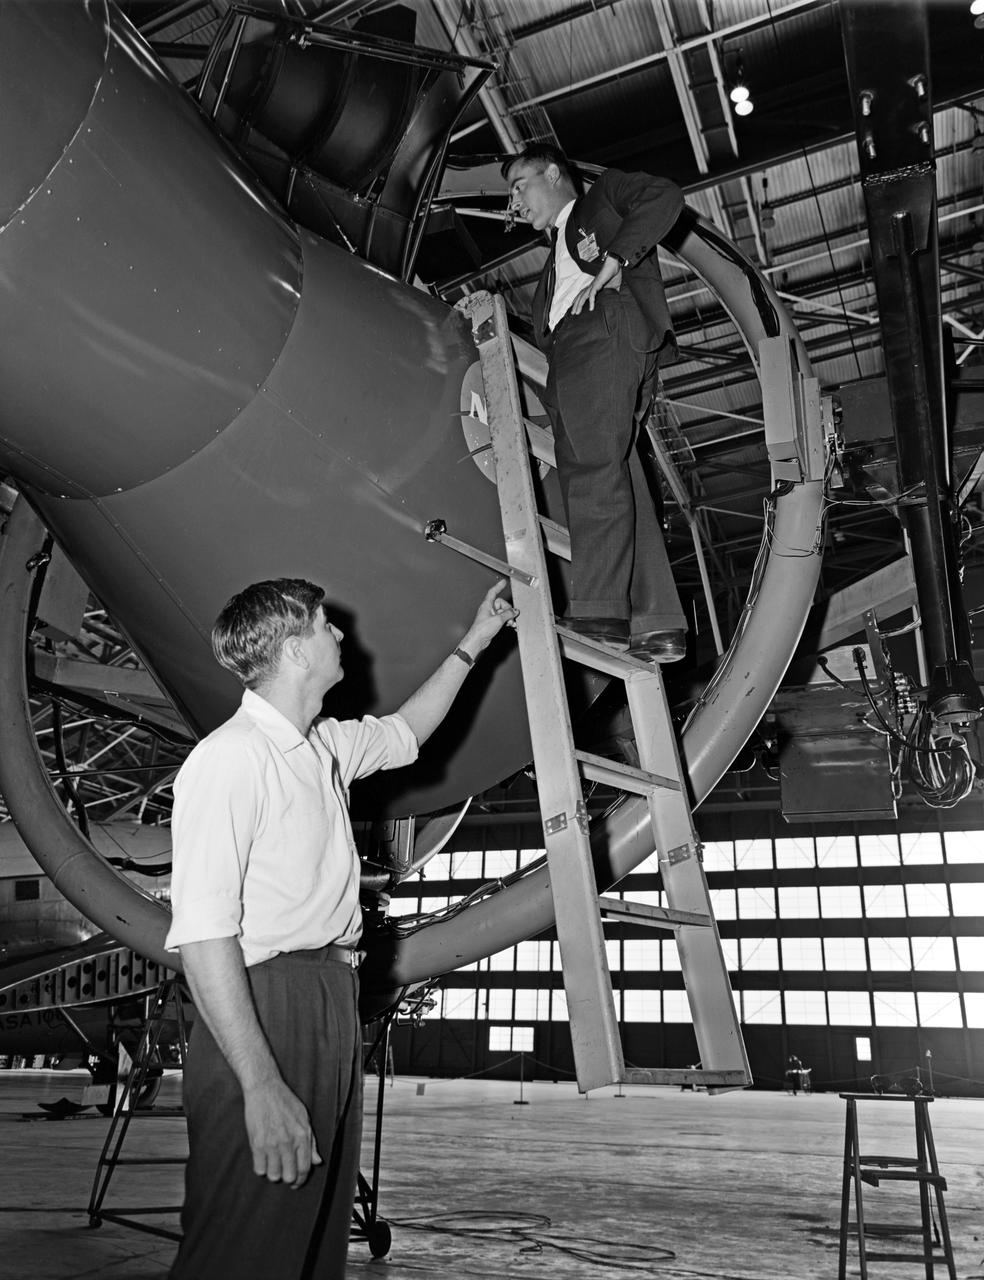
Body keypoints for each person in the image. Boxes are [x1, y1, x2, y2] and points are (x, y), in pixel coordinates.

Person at [165, 577, 516, 1280]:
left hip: (329, 991)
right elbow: (204, 938)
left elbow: (410, 730)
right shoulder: (230, 759)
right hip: (264, 1004)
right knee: (245, 1236)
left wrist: (477, 639)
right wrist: (261, 1087)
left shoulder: (321, 747)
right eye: (326, 626)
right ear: (295, 650)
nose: (341, 636)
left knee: (310, 1234)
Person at [502, 143, 688, 663]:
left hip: (600, 331)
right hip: (571, 349)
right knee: (616, 471)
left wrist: (615, 261)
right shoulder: (550, 270)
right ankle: (658, 622)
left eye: (520, 186)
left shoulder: (601, 199)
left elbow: (664, 194)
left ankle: (601, 609)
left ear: (555, 173)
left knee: (589, 468)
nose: (515, 202)